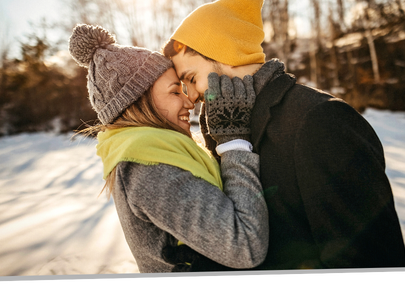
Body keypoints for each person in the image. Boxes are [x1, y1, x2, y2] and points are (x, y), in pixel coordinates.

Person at [161, 0, 405, 270]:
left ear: (226, 53)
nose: (190, 97)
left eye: (191, 78)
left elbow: (369, 260)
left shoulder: (322, 120)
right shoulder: (225, 130)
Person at [68, 24, 268, 273]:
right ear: (139, 102)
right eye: (175, 91)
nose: (188, 101)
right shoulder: (148, 166)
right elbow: (245, 246)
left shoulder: (158, 152)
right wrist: (234, 142)